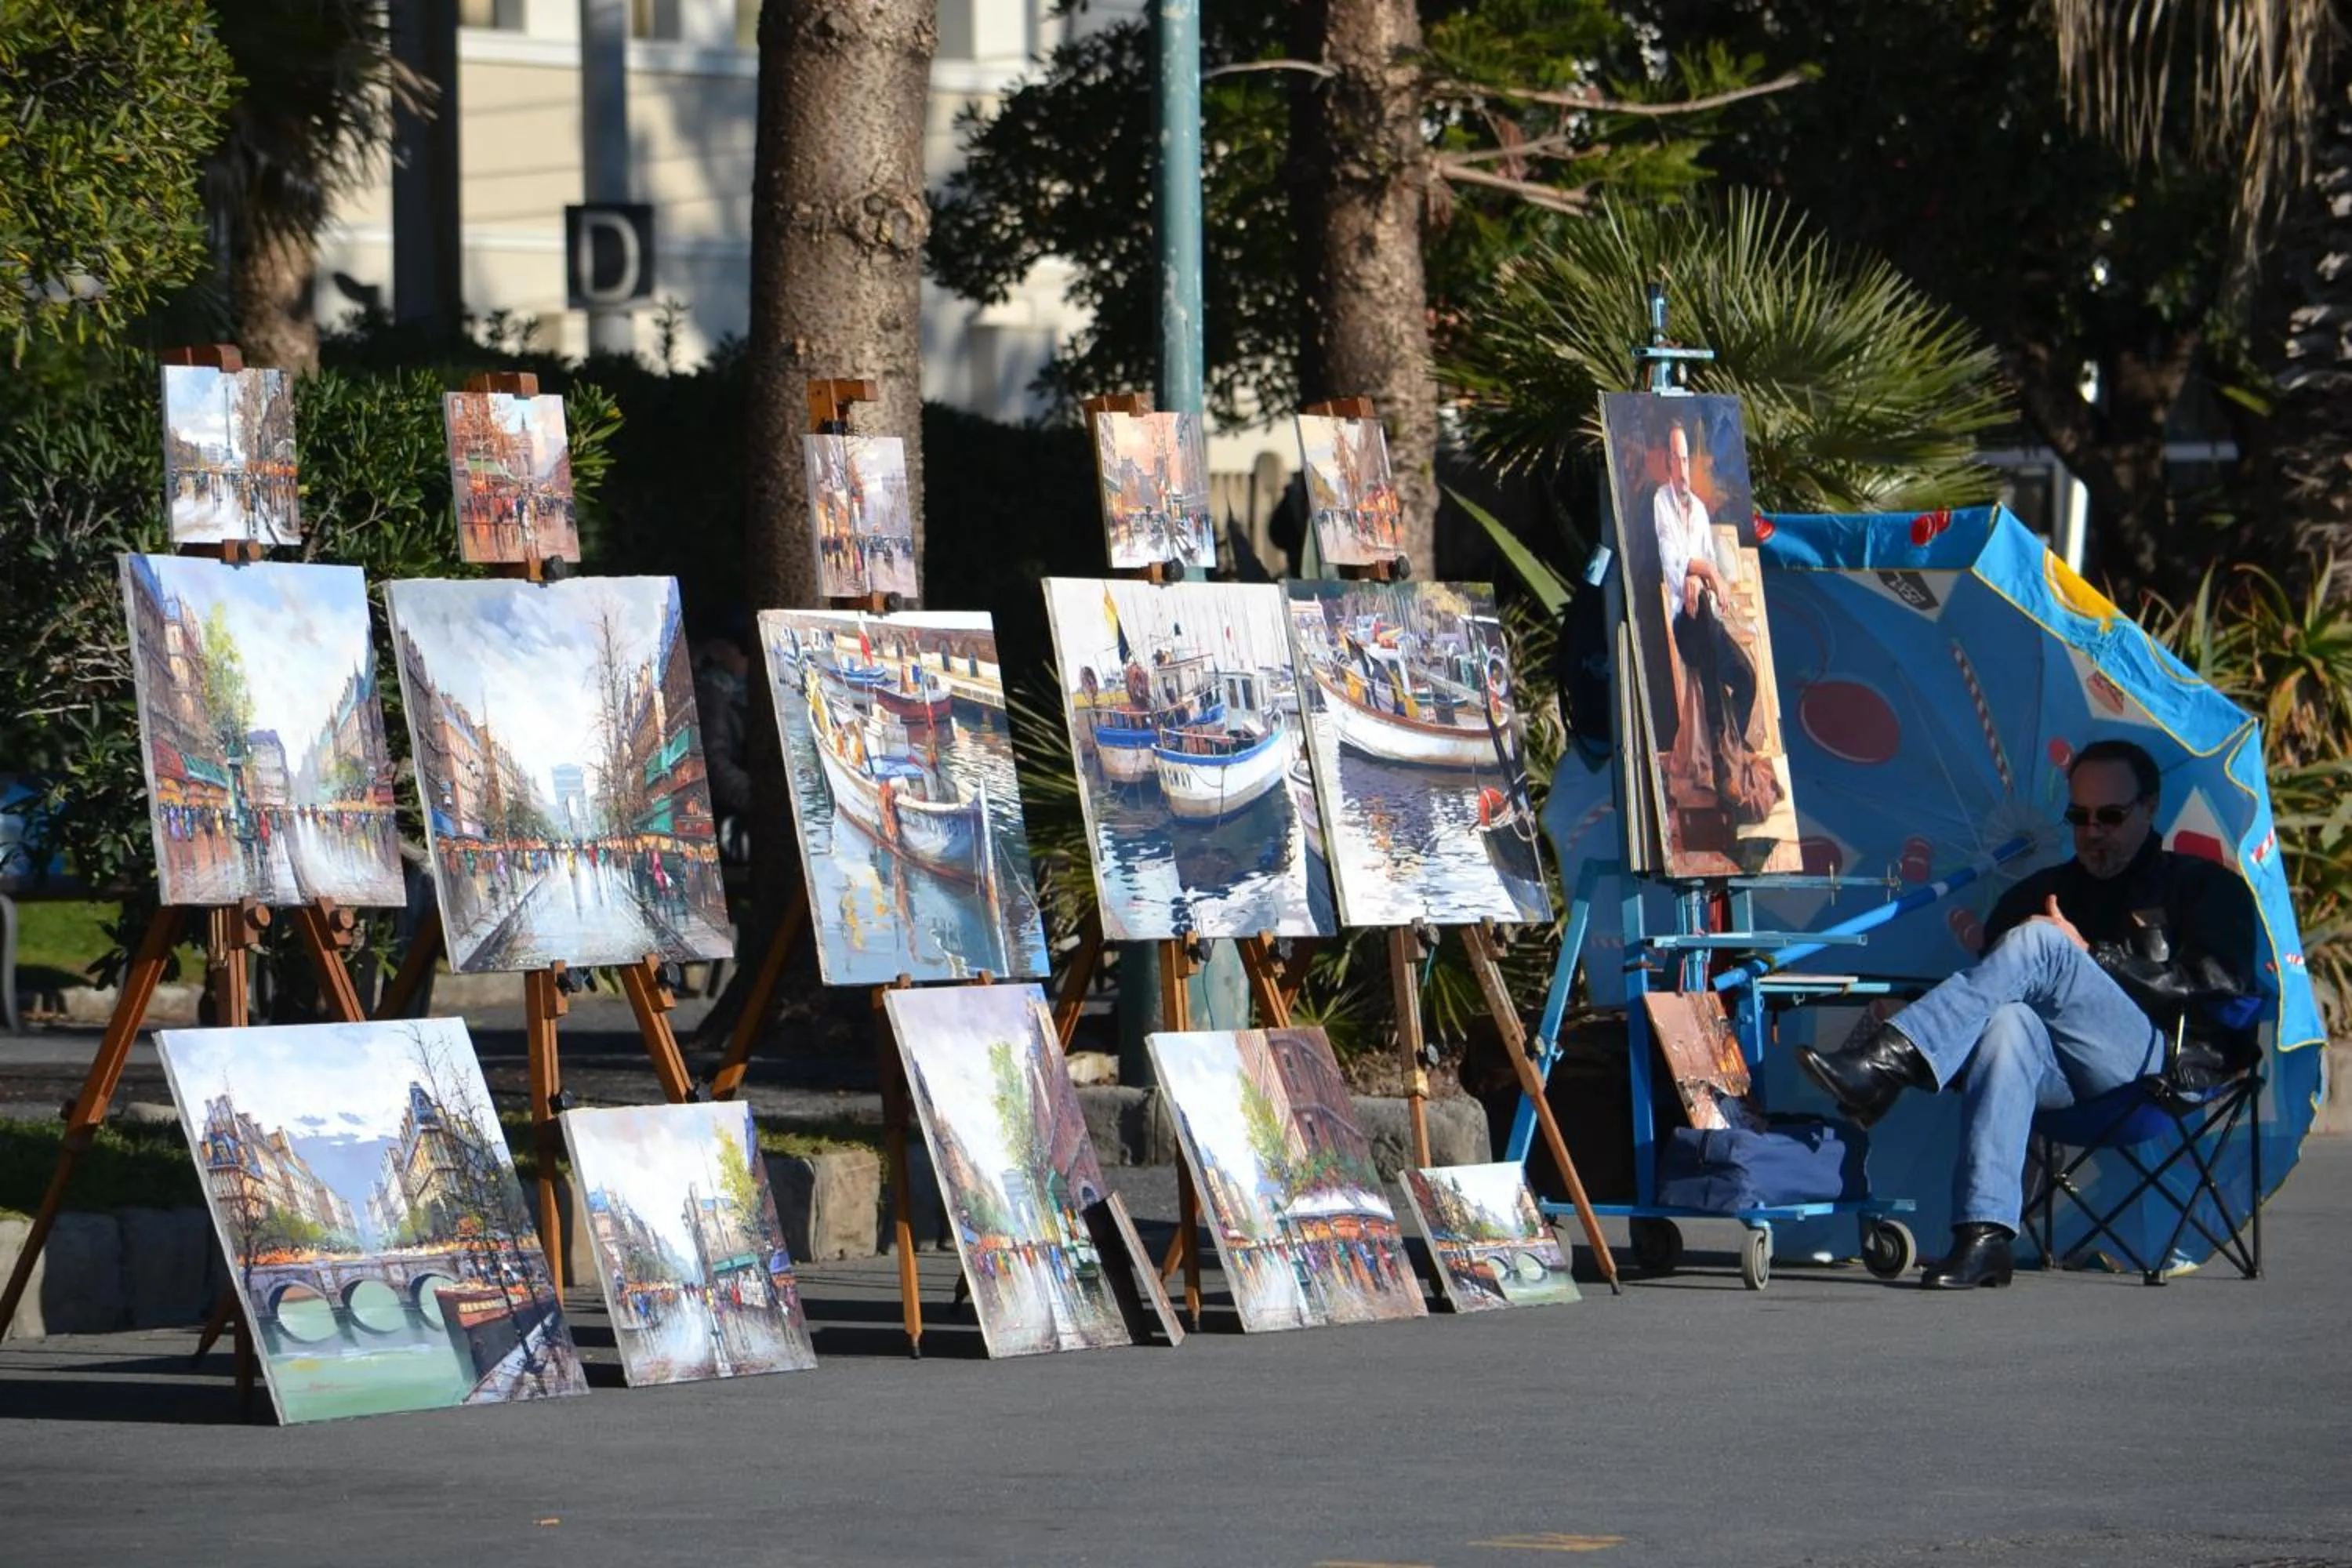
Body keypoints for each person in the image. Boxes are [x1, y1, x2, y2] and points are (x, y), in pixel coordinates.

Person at [1798, 739, 2263, 1289]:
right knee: (2007, 1022)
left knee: (2043, 943)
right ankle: (1985, 1235)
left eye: (2111, 816)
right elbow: (1983, 997)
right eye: (2079, 817)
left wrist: (2093, 959)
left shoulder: (2206, 887)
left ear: (2150, 807)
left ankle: (1886, 1065)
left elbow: (2222, 982)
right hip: (2056, 1082)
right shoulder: (2037, 894)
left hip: (2155, 1068)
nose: (2094, 832)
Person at [1651, 423, 1764, 818]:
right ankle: (1724, 770)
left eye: (1687, 459)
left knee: (1747, 677)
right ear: (1667, 462)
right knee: (1701, 629)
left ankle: (1734, 752)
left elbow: (1701, 562)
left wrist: (1703, 576)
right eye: (1676, 458)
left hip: (1709, 622)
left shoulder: (1698, 508)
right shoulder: (1660, 502)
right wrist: (1701, 576)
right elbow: (1674, 562)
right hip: (1685, 623)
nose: (1682, 467)